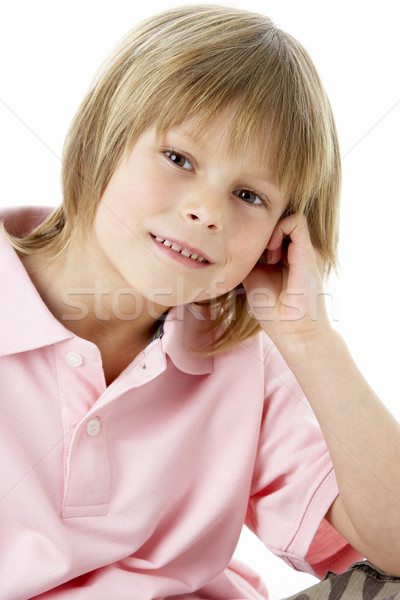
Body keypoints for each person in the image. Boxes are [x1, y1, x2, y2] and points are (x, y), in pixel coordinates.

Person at [0, 4, 399, 599]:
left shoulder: (241, 361)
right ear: (97, 148)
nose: (207, 213)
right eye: (179, 159)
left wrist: (309, 338)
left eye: (249, 195)